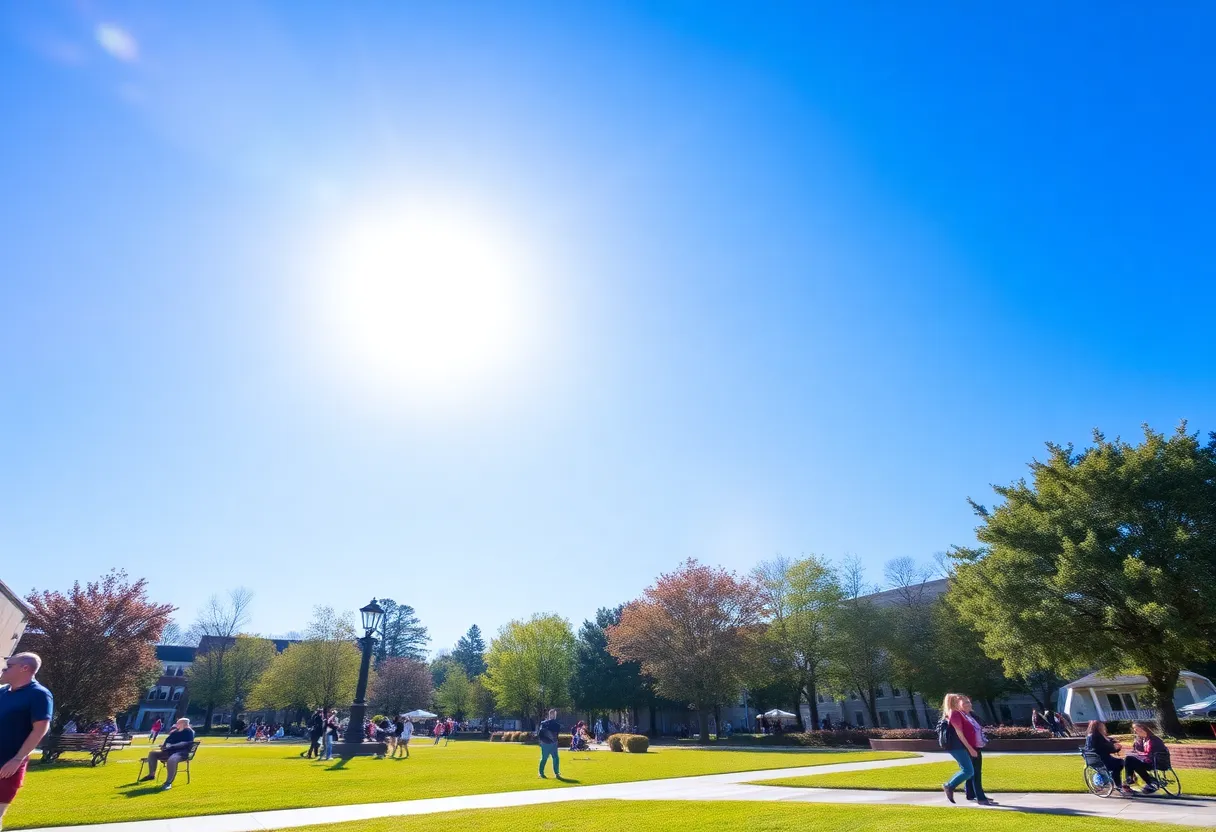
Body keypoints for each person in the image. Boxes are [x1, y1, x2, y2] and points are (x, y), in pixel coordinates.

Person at [0, 653, 53, 830]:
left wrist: (17, 759)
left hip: (7, 764)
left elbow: (40, 729)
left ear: (25, 668)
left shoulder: (39, 694)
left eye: (9, 666)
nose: (4, 669)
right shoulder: (2, 693)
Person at [939, 693, 980, 804]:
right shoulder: (954, 714)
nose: (961, 701)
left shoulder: (955, 713)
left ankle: (949, 785)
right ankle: (949, 785)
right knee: (968, 771)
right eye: (958, 700)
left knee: (967, 770)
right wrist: (970, 748)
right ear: (953, 702)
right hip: (956, 746)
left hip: (957, 746)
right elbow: (960, 734)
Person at [138, 717, 195, 791]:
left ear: (183, 724)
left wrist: (172, 746)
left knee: (173, 758)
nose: (176, 724)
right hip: (169, 751)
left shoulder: (189, 732)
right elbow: (167, 741)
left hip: (181, 753)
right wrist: (164, 746)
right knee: (152, 753)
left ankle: (168, 782)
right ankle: (151, 775)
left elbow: (185, 743)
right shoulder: (174, 732)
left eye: (178, 723)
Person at [960, 696, 995, 804]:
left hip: (977, 746)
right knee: (975, 772)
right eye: (965, 703)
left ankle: (970, 794)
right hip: (969, 748)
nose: (968, 704)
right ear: (959, 705)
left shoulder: (972, 715)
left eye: (969, 702)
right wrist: (970, 748)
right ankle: (981, 797)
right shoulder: (961, 717)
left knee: (971, 771)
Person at [1085, 721, 1128, 794]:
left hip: (1092, 760)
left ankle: (1114, 782)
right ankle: (1118, 784)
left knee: (1117, 763)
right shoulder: (1098, 737)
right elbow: (1106, 748)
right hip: (1102, 760)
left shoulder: (1090, 736)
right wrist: (1116, 748)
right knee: (1120, 763)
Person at [1125, 722, 1166, 794]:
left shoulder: (1154, 740)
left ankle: (1150, 782)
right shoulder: (1141, 740)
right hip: (1147, 761)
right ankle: (1131, 780)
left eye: (1137, 729)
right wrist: (1135, 752)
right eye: (1134, 729)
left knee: (1133, 762)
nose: (1135, 731)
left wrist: (1141, 755)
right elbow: (1138, 751)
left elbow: (1154, 753)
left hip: (1156, 762)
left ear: (1143, 729)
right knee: (1129, 759)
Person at [537, 709, 562, 779]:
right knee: (545, 758)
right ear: (550, 714)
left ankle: (556, 773)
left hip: (551, 743)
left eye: (555, 714)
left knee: (555, 758)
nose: (554, 716)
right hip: (548, 743)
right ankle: (541, 773)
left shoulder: (544, 723)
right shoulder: (546, 723)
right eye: (553, 714)